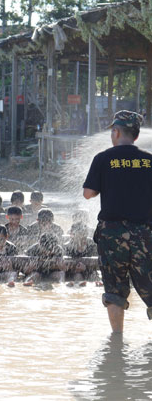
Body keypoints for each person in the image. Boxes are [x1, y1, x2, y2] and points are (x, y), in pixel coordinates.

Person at [83, 110, 152, 332]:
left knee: (114, 290)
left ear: (115, 131)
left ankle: (117, 342)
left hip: (111, 235)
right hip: (144, 235)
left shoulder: (103, 159)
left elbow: (88, 193)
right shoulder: (149, 161)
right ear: (136, 136)